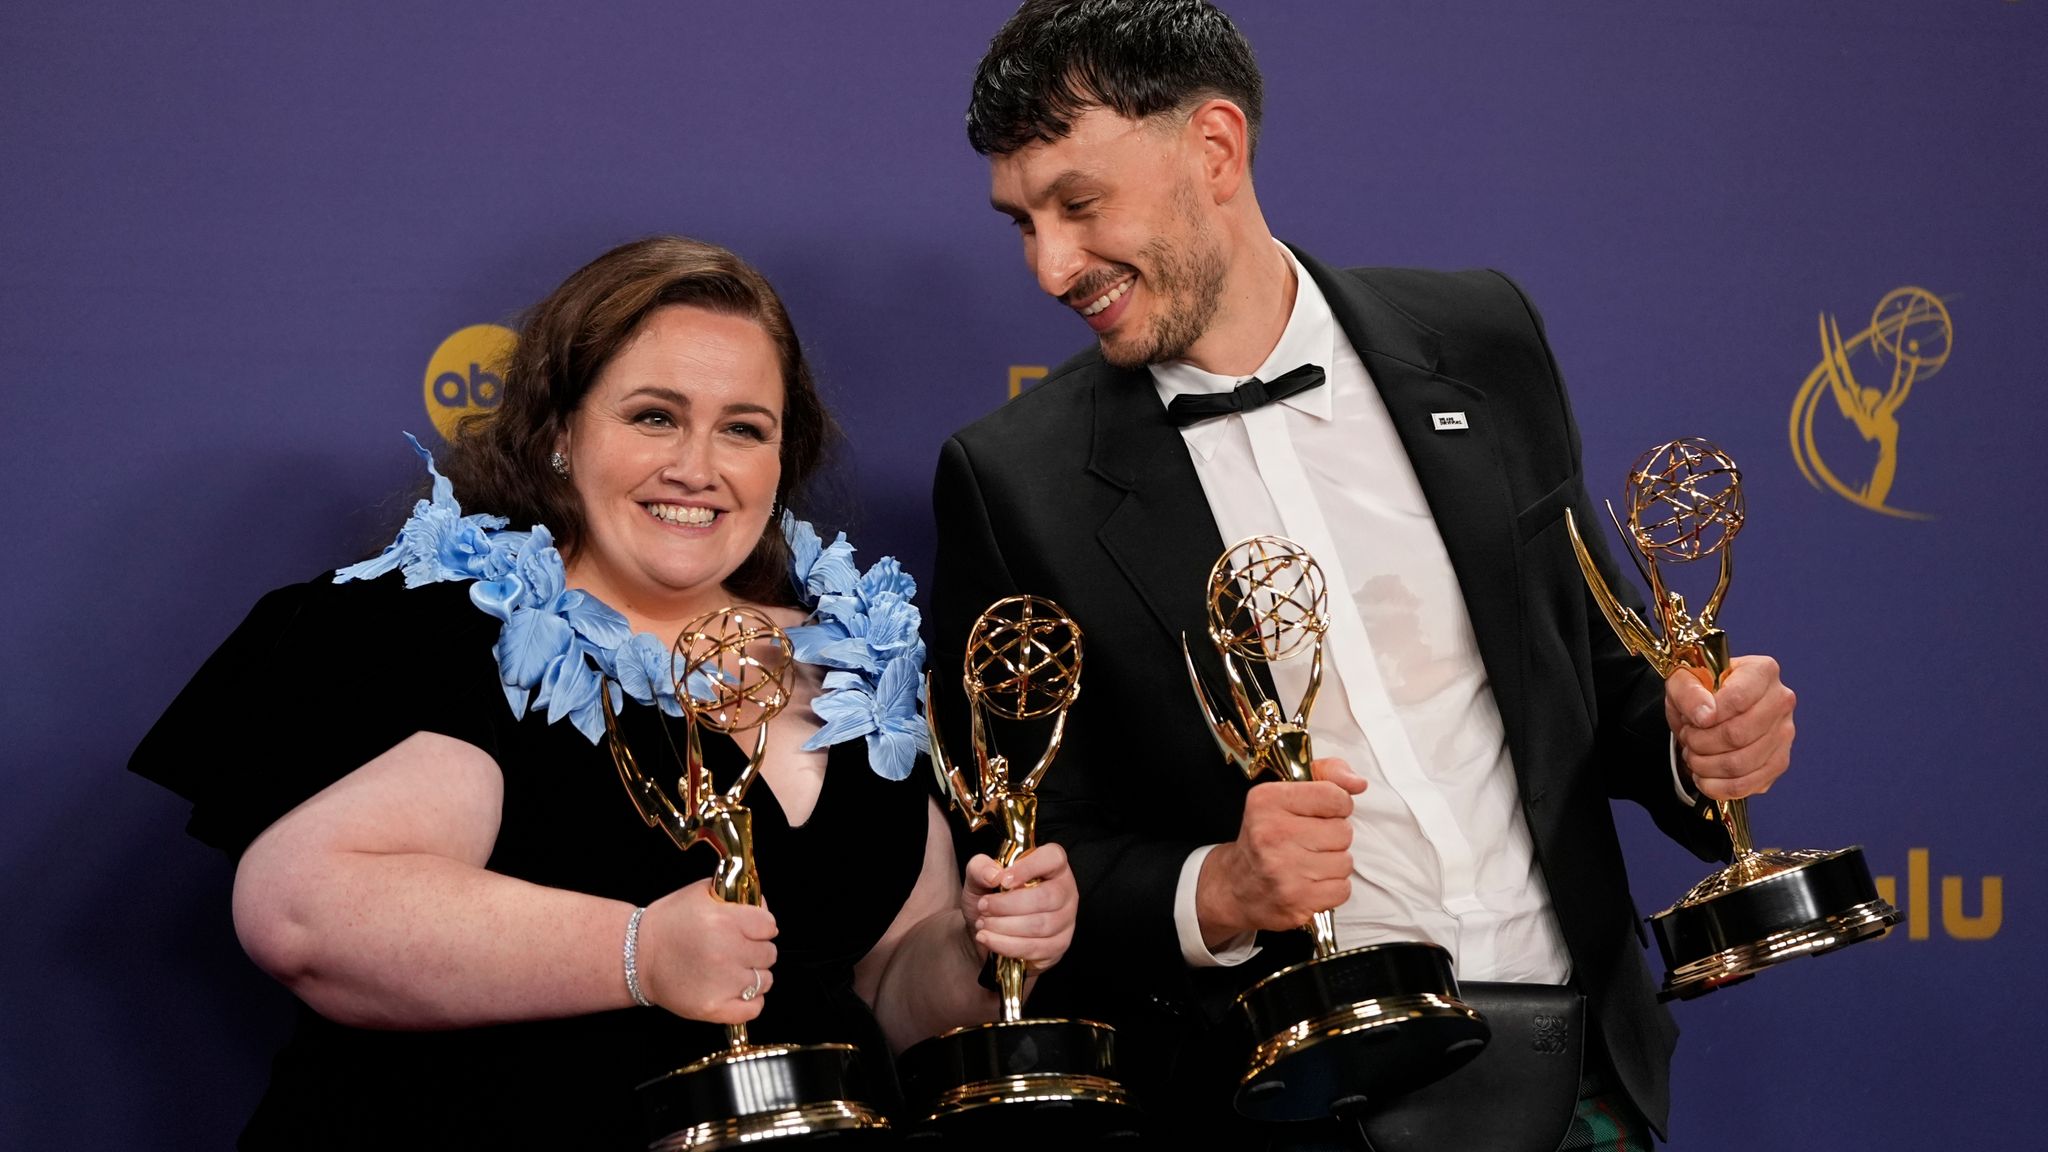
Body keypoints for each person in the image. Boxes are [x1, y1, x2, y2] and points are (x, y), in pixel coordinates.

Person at [929, 2, 1796, 1147]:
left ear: (1215, 148)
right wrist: (1218, 890)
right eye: (1021, 222)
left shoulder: (1483, 337)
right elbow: (1028, 857)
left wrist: (1698, 750)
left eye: (1079, 205)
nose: (1050, 264)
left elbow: (1589, 666)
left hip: (1577, 1070)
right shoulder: (1013, 479)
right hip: (1285, 1104)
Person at [131, 235, 1079, 1149]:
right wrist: (639, 952)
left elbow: (891, 990)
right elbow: (305, 915)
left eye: (743, 430)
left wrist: (985, 950)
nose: (697, 469)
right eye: (653, 417)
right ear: (555, 432)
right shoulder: (443, 629)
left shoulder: (863, 667)